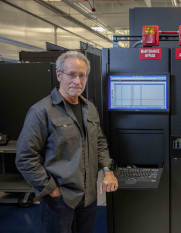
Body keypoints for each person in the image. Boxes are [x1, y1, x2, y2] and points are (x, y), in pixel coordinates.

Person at [16, 51, 118, 233]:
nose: (77, 81)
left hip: (89, 197)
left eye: (82, 75)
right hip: (59, 200)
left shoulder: (90, 108)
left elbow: (99, 142)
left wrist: (108, 170)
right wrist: (51, 189)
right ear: (59, 75)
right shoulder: (41, 112)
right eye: (71, 74)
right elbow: (25, 158)